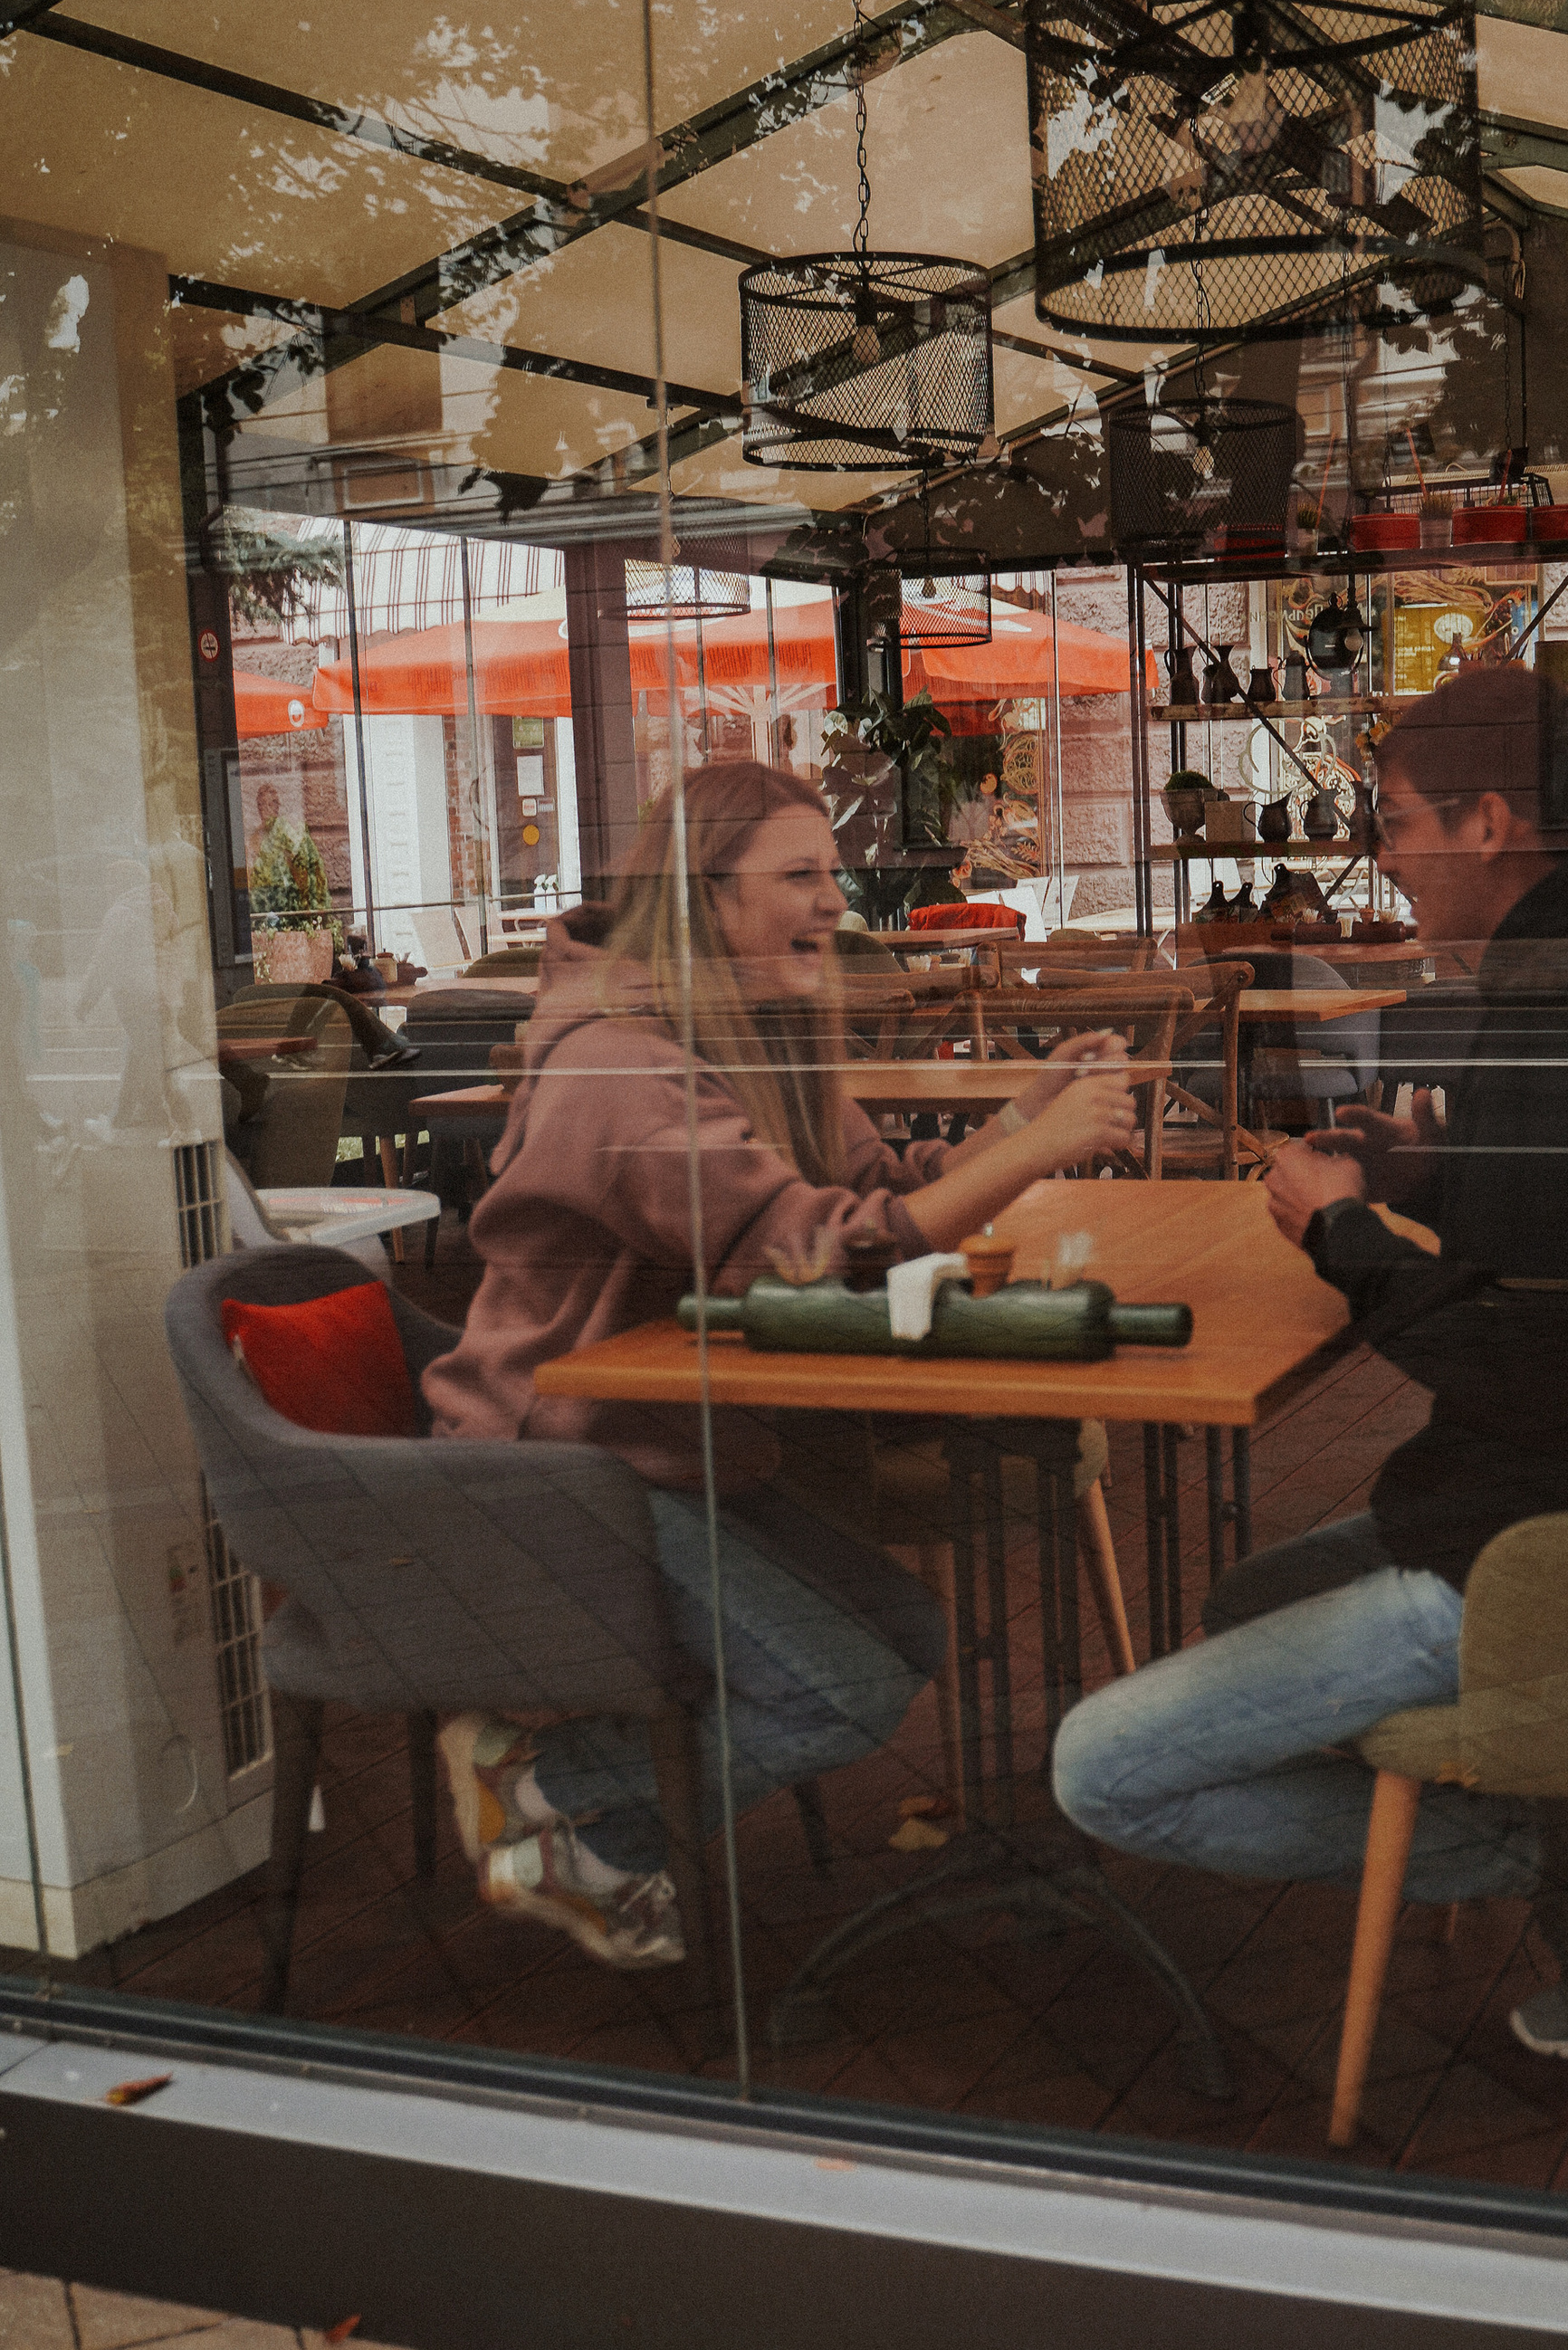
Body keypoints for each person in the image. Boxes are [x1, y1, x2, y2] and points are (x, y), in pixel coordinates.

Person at [1052, 664, 1568, 2069]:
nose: (1376, 856)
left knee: (1102, 1770)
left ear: (1490, 820)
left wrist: (1339, 1233)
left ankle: (1554, 1835)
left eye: (1393, 822)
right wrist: (1447, 1168)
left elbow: (1524, 1363)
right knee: (1246, 1596)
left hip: (1551, 1539)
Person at [423, 759, 1140, 1966]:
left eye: (832, 872)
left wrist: (1020, 1116)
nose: (833, 902)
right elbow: (807, 1256)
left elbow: (866, 1197)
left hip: (675, 1445)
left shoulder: (760, 1026)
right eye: (800, 877)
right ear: (707, 899)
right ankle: (562, 1798)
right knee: (842, 1688)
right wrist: (1033, 1159)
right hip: (561, 1467)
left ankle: (574, 1816)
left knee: (903, 1632)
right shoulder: (612, 1064)